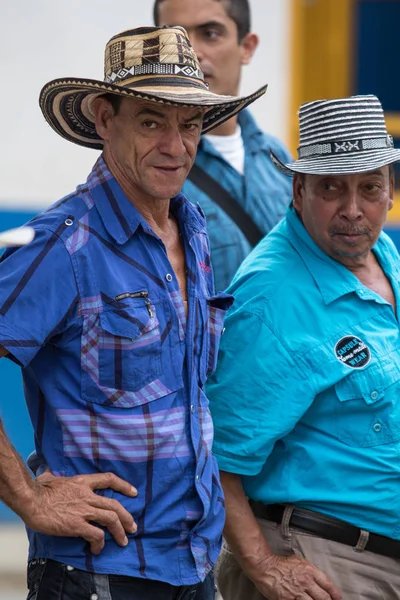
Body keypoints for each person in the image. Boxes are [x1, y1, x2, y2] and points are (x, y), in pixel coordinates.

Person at [0, 25, 267, 600]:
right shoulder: (62, 243)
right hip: (99, 576)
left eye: (190, 125)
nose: (176, 146)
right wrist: (28, 495)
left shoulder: (191, 231)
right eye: (151, 122)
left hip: (194, 569)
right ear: (104, 119)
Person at [207, 94, 400, 600]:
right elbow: (215, 457)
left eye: (370, 187)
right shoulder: (272, 299)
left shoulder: (381, 250)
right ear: (298, 190)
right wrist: (265, 567)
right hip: (328, 565)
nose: (353, 210)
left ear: (391, 191)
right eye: (331, 188)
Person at [153, 0, 293, 291]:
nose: (189, 53)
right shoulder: (151, 163)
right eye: (173, 38)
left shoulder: (276, 156)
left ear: (247, 47)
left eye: (211, 33)